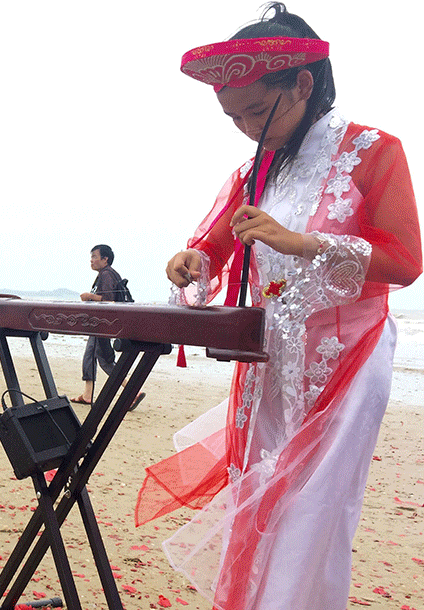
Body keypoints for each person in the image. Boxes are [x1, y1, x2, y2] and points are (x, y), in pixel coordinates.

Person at [134, 5, 422, 610]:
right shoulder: (254, 169)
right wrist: (191, 261)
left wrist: (302, 243)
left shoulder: (372, 151)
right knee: (260, 495)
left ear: (302, 83)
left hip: (345, 360)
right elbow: (213, 247)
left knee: (315, 510)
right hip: (268, 363)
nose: (243, 128)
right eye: (231, 116)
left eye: (257, 112)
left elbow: (403, 259)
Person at [75, 244, 144, 408]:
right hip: (101, 323)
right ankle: (87, 394)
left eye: (94, 257)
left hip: (103, 324)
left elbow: (108, 300)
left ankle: (133, 391)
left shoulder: (107, 275)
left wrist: (89, 296)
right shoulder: (108, 274)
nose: (91, 260)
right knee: (90, 356)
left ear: (105, 259)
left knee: (105, 360)